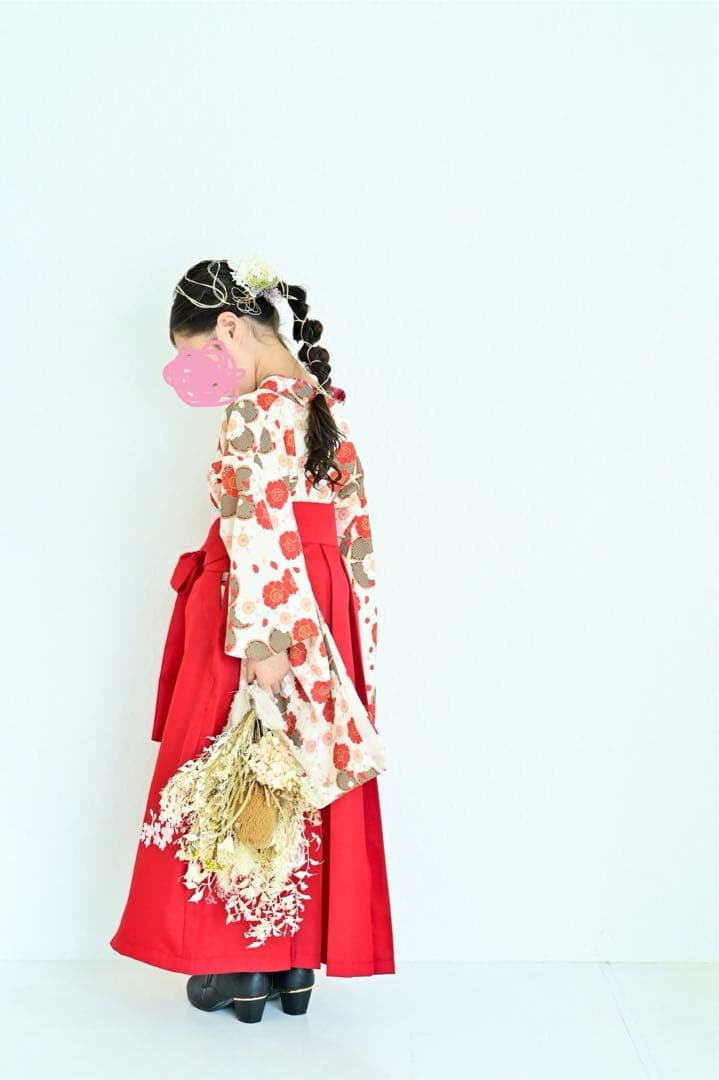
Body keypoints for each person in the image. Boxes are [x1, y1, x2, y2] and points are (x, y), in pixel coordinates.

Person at [109, 258, 395, 1024]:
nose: (203, 378)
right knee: (297, 770)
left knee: (233, 768)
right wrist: (351, 638)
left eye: (200, 356)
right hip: (323, 597)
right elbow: (355, 533)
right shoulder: (322, 405)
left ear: (230, 328)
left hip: (258, 599)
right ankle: (293, 966)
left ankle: (238, 966)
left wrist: (265, 641)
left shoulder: (251, 413)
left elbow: (255, 520)